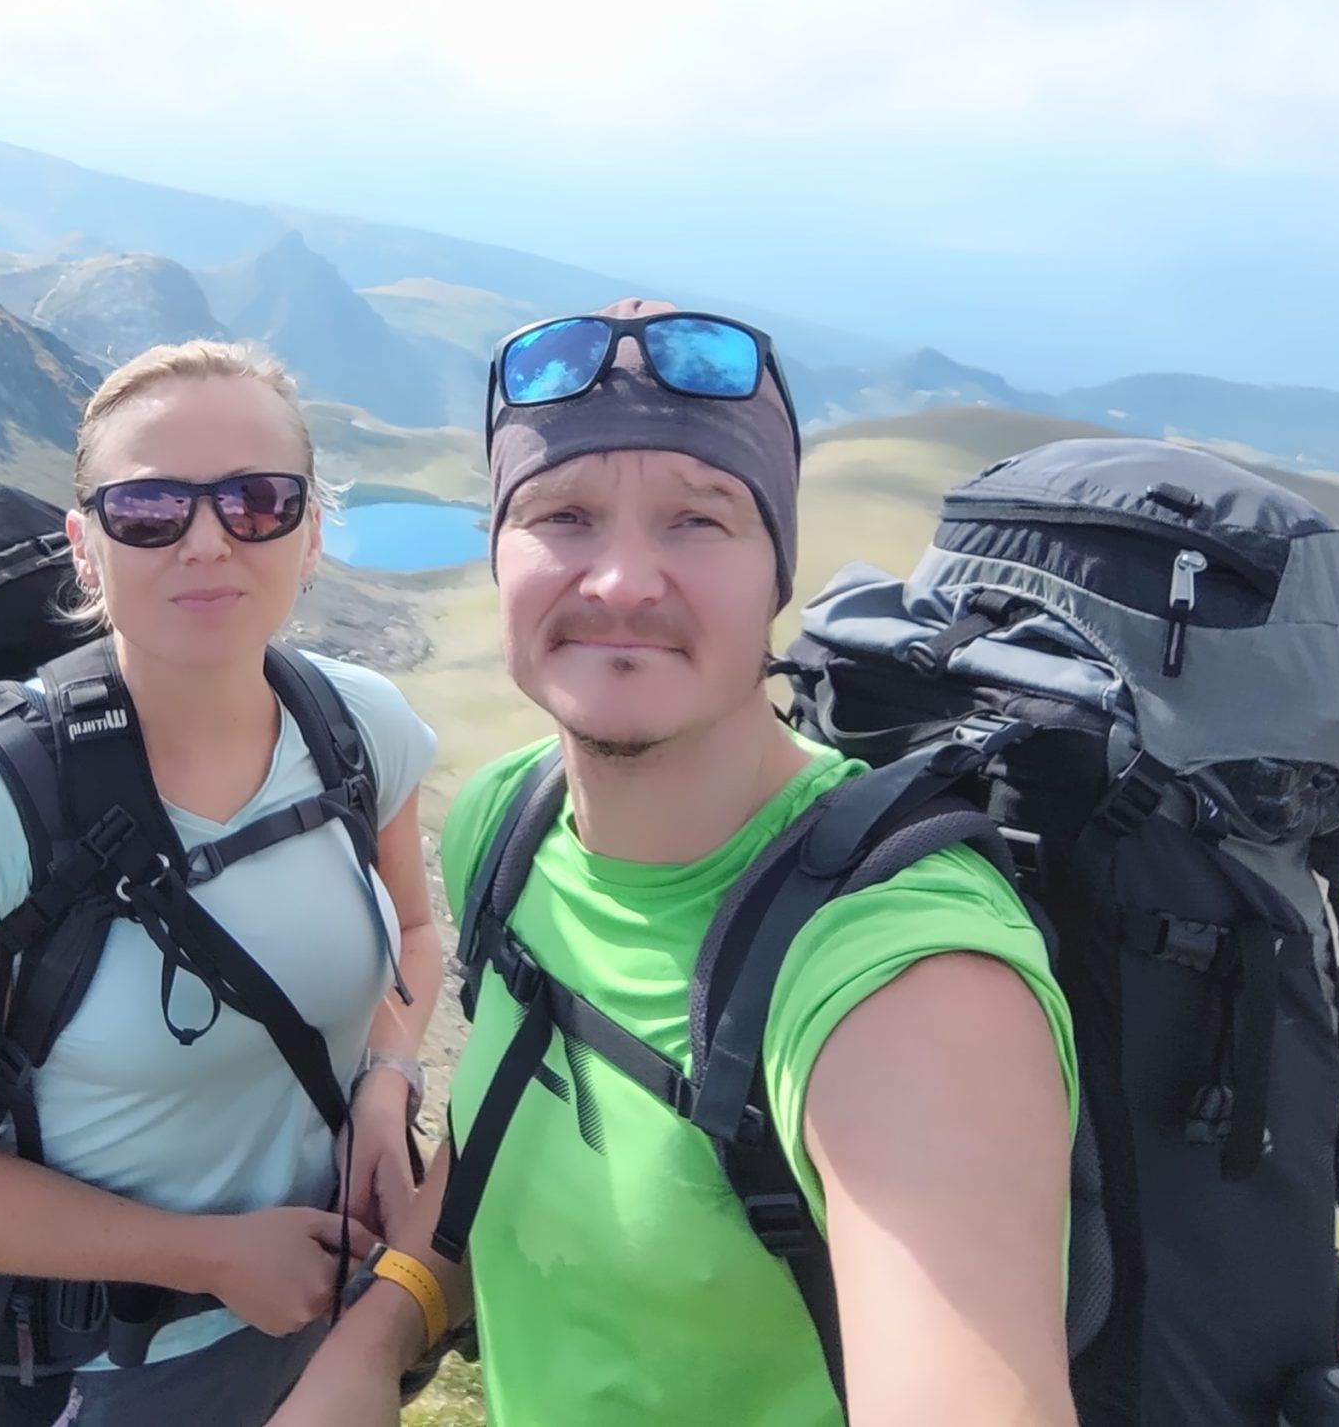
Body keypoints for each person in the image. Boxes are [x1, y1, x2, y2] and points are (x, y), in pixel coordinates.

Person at [275, 301, 1079, 1425]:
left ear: (776, 576)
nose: (620, 580)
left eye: (697, 520)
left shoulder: (905, 978)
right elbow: (508, 1124)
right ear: (496, 552)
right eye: (562, 513)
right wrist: (380, 1329)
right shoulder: (509, 819)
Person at [0, 339, 442, 1426]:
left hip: (337, 1315)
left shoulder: (358, 727)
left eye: (258, 500)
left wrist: (385, 1080)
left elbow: (408, 927)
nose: (208, 539)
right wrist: (207, 1256)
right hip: (119, 1368)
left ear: (310, 533)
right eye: (151, 507)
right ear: (85, 546)